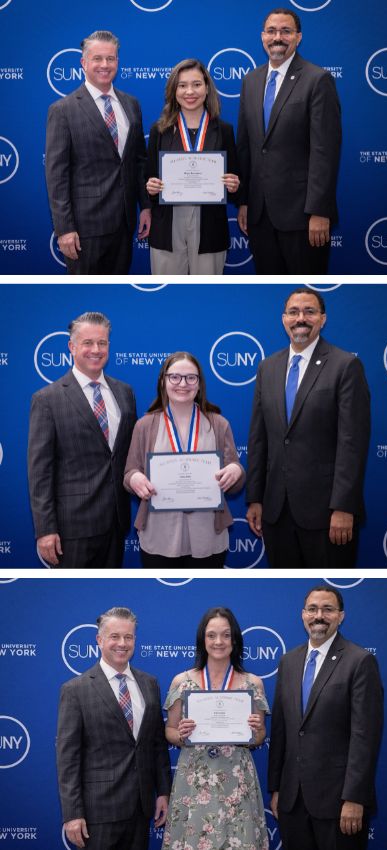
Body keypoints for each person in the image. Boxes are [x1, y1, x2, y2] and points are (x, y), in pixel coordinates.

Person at [246, 287, 371, 568]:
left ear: (323, 319)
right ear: (284, 319)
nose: (300, 318)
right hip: (276, 512)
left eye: (309, 311)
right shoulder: (268, 367)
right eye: (294, 312)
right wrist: (255, 498)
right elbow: (258, 438)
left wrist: (343, 506)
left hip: (327, 515)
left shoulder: (345, 365)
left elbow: (352, 443)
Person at [268, 586, 383, 850]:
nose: (319, 615)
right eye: (312, 609)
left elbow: (365, 736)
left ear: (340, 616)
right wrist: (276, 789)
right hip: (292, 802)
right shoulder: (288, 661)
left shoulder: (360, 661)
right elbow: (282, 729)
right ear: (303, 615)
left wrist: (355, 798)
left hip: (340, 804)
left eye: (328, 609)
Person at [236, 8, 341, 274]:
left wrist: (319, 210)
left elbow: (325, 151)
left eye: (286, 31)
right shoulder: (251, 81)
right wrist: (245, 201)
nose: (277, 37)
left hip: (303, 218)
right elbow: (246, 146)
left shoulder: (317, 80)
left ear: (298, 37)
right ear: (262, 37)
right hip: (260, 216)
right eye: (271, 31)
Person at [57, 607, 171, 850]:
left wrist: (163, 792)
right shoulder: (75, 690)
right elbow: (68, 758)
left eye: (128, 637)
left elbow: (157, 745)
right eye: (114, 636)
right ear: (99, 640)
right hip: (97, 814)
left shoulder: (149, 684)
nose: (122, 643)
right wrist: (72, 813)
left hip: (141, 809)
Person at [28, 311, 136, 568]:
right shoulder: (47, 399)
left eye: (102, 342)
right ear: (72, 346)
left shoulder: (125, 392)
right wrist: (45, 529)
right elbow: (39, 471)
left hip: (117, 523)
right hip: (71, 529)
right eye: (88, 343)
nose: (96, 350)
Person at [161, 606, 269, 850]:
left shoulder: (253, 683)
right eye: (211, 635)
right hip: (194, 780)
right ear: (203, 639)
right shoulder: (182, 681)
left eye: (226, 635)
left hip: (237, 780)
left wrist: (256, 731)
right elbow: (170, 730)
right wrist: (181, 734)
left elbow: (260, 736)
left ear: (235, 639)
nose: (218, 641)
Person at [123, 351, 245, 568]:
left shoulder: (218, 423)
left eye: (191, 378)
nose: (183, 383)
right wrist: (135, 479)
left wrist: (236, 470)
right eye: (175, 377)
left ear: (199, 384)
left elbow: (236, 478)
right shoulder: (145, 425)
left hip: (208, 535)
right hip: (159, 535)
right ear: (163, 381)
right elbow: (130, 472)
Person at [45, 30, 150, 274]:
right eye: (97, 58)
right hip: (83, 231)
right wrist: (64, 228)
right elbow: (56, 175)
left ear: (118, 62)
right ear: (84, 63)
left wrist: (145, 206)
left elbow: (139, 161)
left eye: (111, 58)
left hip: (124, 225)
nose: (105, 65)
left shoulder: (131, 104)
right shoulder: (62, 110)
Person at [146, 58, 240, 274]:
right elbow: (147, 178)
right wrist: (150, 187)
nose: (190, 91)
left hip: (209, 225)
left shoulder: (224, 130)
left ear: (207, 88)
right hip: (167, 224)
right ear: (173, 90)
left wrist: (234, 185)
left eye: (197, 84)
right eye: (182, 85)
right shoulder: (159, 130)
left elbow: (237, 181)